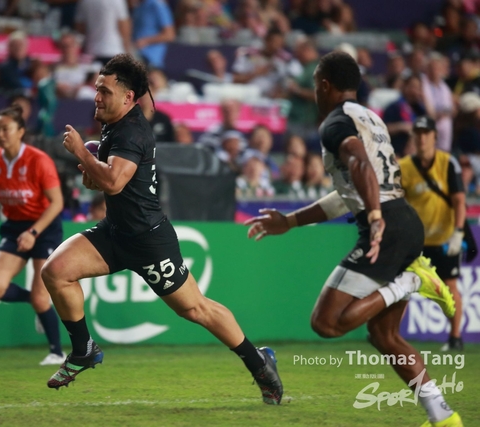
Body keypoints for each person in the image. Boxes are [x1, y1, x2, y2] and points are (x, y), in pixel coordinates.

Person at [40, 54, 283, 404]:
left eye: (105, 91)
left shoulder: (131, 131)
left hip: (148, 240)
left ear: (128, 97)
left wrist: (82, 152)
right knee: (56, 272)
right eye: (97, 89)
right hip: (115, 232)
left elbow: (114, 182)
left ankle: (259, 363)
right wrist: (93, 167)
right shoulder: (114, 124)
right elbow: (108, 182)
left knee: (195, 309)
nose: (97, 97)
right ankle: (83, 350)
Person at [244, 51, 462, 426]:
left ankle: (411, 281)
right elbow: (348, 192)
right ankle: (444, 417)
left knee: (326, 323)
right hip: (405, 223)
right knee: (384, 336)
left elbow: (359, 162)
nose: (315, 92)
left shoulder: (335, 122)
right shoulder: (371, 118)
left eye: (316, 85)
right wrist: (291, 221)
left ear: (325, 85)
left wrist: (375, 217)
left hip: (386, 225)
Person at [0, 104, 66, 366]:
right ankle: (37, 302)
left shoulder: (39, 160)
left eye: (5, 129)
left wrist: (33, 232)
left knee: (41, 296)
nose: (0, 134)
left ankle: (57, 352)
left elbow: (57, 202)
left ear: (20, 131)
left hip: (44, 228)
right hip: (13, 226)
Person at [399, 116, 466, 352]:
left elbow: (459, 200)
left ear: (435, 137)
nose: (422, 138)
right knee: (401, 287)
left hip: (444, 238)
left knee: (450, 286)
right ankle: (389, 334)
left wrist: (458, 232)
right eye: (418, 134)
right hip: (415, 241)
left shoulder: (448, 163)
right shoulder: (404, 167)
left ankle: (455, 337)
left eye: (426, 133)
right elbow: (398, 202)